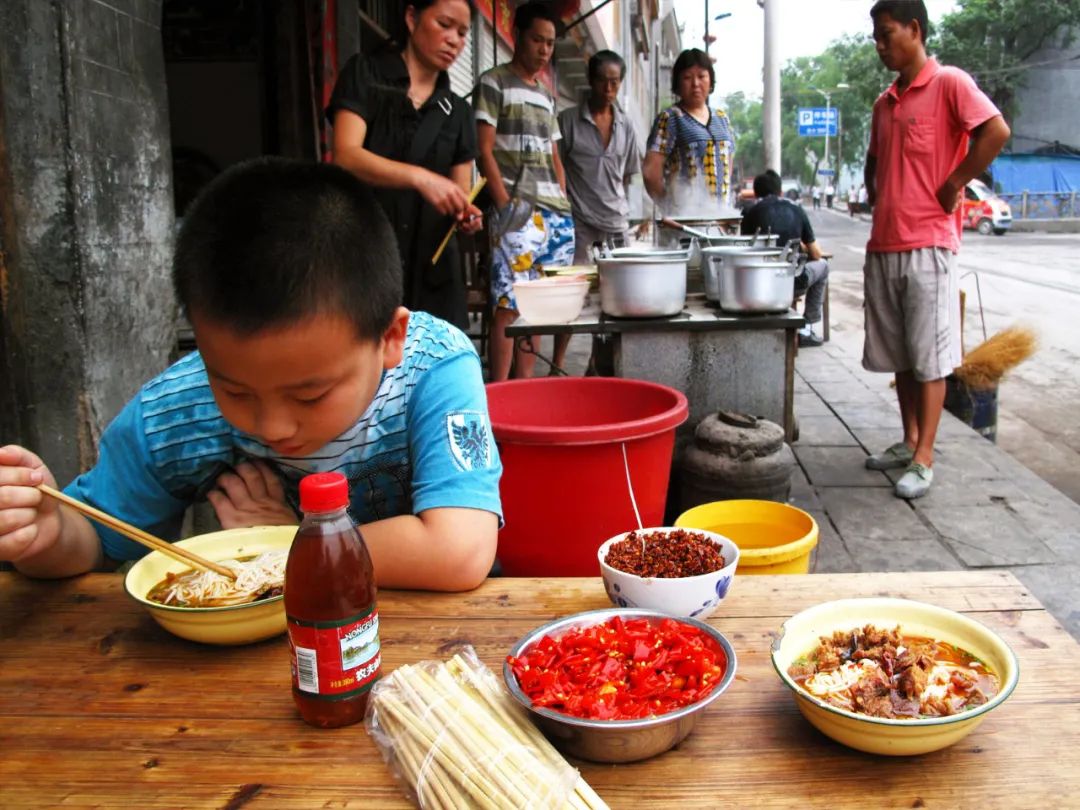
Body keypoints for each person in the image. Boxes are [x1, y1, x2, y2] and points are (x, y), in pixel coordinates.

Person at [0, 159, 502, 590]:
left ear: (389, 338)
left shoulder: (432, 367)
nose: (272, 426)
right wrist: (44, 533)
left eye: (310, 395)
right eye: (234, 389)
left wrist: (287, 543)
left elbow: (459, 551)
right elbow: (96, 539)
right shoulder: (179, 408)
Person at [862, 0, 1010, 499]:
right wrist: (876, 196)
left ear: (914, 29)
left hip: (929, 244)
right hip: (884, 244)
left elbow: (996, 130)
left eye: (886, 34)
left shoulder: (950, 83)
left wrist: (957, 182)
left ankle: (925, 457)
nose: (880, 45)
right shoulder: (884, 104)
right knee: (902, 354)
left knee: (929, 356)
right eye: (876, 37)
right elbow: (873, 160)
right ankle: (907, 442)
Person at [328, 0, 483, 331]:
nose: (454, 40)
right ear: (412, 18)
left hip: (434, 274)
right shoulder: (365, 75)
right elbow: (346, 155)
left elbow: (461, 191)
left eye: (462, 32)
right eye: (444, 24)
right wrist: (420, 178)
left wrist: (465, 214)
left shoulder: (459, 112)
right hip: (369, 260)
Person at [474, 1, 574, 381]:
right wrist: (505, 208)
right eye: (537, 40)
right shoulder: (493, 82)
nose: (544, 50)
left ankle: (527, 388)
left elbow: (555, 156)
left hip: (555, 213)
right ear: (517, 35)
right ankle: (499, 393)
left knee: (540, 307)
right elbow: (484, 151)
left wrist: (562, 202)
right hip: (516, 211)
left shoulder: (548, 96)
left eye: (550, 43)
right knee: (507, 304)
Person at [558, 50, 641, 262]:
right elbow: (556, 168)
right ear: (590, 80)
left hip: (617, 222)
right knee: (581, 286)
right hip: (580, 224)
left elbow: (627, 176)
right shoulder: (567, 121)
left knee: (622, 287)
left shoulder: (627, 126)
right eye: (602, 81)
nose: (608, 89)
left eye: (614, 82)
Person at [741, 170, 830, 348]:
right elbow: (816, 254)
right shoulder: (796, 210)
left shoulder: (749, 211)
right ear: (780, 191)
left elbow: (745, 247)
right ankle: (806, 329)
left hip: (757, 284)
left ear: (756, 193)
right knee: (824, 266)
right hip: (793, 282)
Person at [643, 48, 736, 212]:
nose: (695, 84)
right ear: (678, 83)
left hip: (722, 219)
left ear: (710, 80)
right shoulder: (670, 118)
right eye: (687, 77)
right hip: (685, 221)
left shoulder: (722, 118)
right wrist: (670, 208)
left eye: (702, 76)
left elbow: (728, 162)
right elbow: (651, 173)